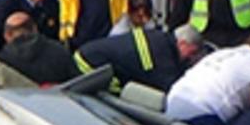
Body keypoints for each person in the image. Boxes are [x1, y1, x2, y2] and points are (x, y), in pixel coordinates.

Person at [74, 23, 205, 92]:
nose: (191, 58)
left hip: (88, 55)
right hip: (90, 66)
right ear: (183, 43)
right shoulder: (162, 54)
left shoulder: (159, 39)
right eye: (192, 52)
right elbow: (171, 88)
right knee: (119, 95)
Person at [0, 12, 79, 85]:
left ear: (7, 35)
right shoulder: (59, 51)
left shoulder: (0, 62)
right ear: (35, 28)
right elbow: (76, 83)